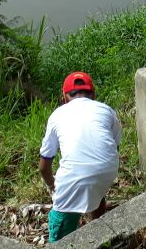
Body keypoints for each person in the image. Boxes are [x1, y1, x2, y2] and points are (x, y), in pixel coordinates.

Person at [39, 71, 122, 242]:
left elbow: (44, 166)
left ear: (64, 97)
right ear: (94, 95)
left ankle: (61, 241)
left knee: (60, 226)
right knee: (95, 187)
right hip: (108, 170)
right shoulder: (107, 110)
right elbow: (113, 147)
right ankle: (101, 232)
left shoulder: (57, 115)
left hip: (76, 177)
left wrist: (52, 186)